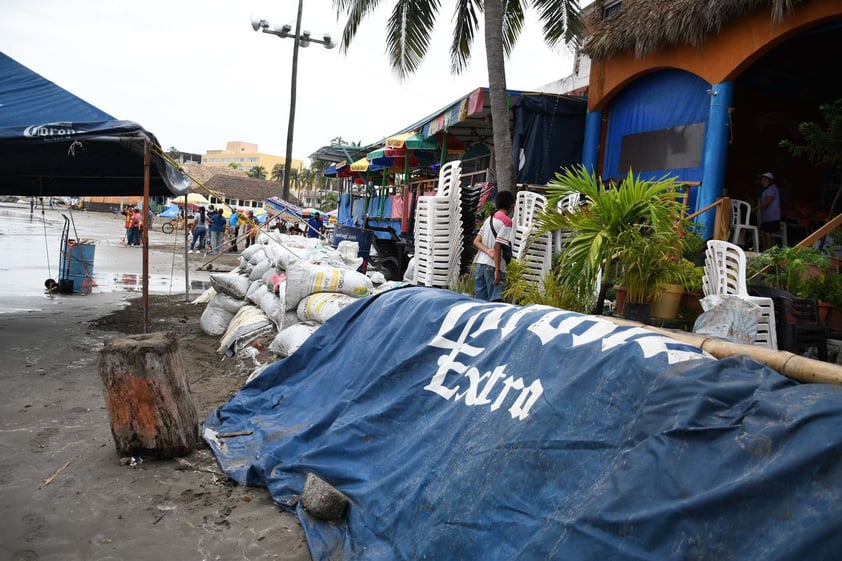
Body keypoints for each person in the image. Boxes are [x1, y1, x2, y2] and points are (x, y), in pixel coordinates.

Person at [472, 190, 515, 302]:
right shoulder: (507, 222)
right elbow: (497, 246)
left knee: (479, 303)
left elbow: (476, 241)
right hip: (493, 265)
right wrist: (497, 270)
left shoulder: (489, 219)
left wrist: (487, 251)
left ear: (496, 204)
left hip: (480, 263)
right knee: (496, 303)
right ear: (512, 205)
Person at [757, 171, 781, 250]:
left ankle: (768, 251)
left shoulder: (772, 189)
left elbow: (768, 201)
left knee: (767, 232)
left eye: (765, 180)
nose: (762, 182)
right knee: (763, 232)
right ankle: (764, 250)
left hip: (772, 215)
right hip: (767, 215)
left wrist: (757, 207)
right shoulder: (767, 190)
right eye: (762, 180)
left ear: (770, 181)